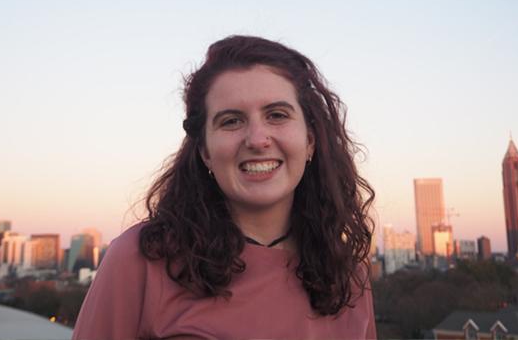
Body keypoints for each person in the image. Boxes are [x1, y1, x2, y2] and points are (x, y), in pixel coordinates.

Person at [72, 35, 376, 340]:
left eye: (277, 115)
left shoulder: (348, 277)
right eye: (231, 121)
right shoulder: (141, 260)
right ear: (205, 150)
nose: (257, 140)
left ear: (310, 139)